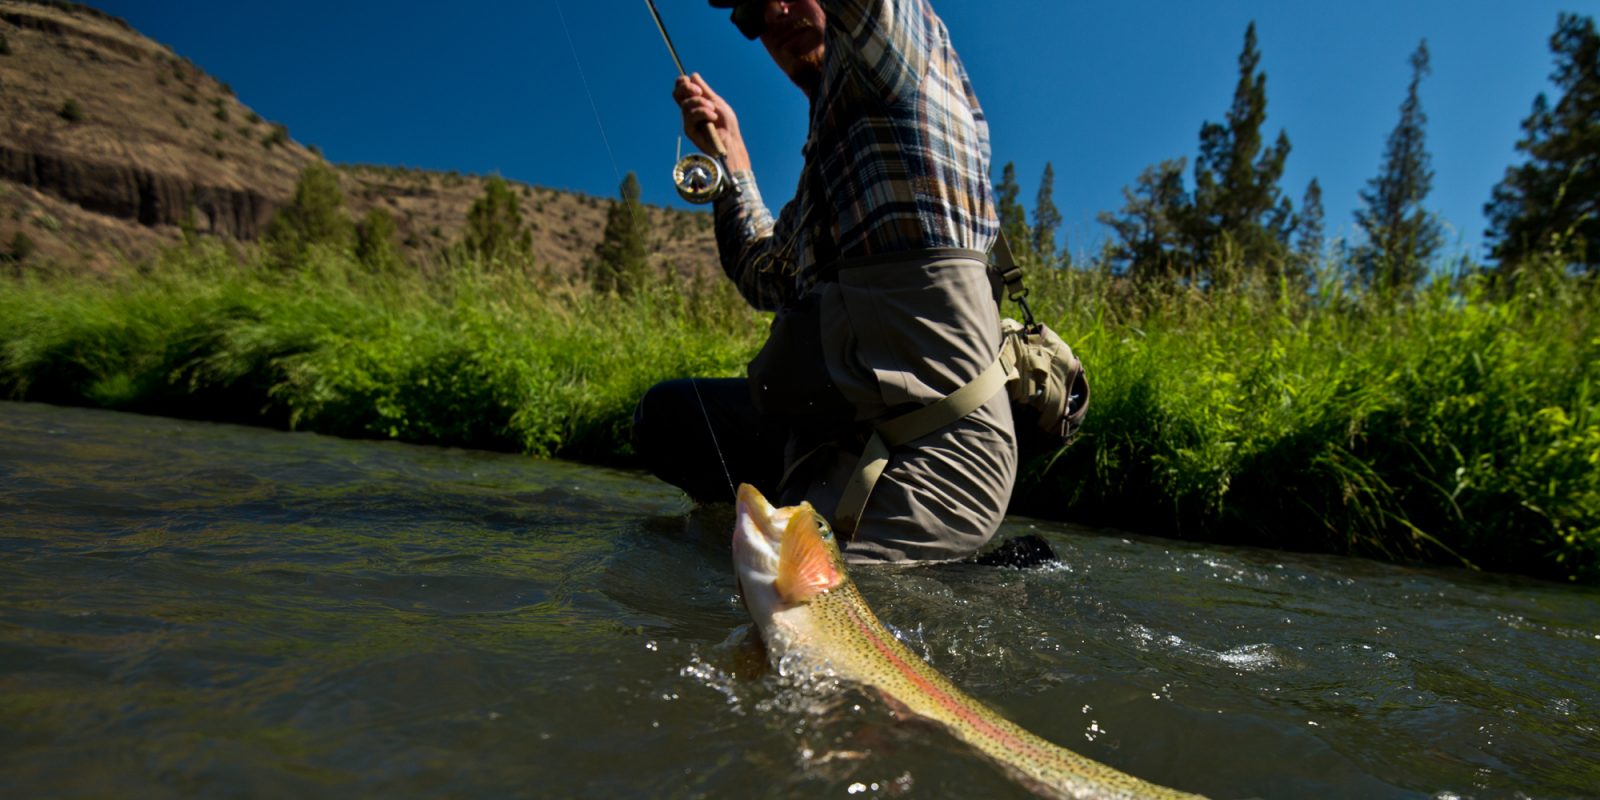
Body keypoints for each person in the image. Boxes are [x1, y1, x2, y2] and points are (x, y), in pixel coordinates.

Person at [633, 0, 1015, 564]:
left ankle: (962, 573)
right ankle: (768, 530)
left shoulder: (897, 49)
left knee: (806, 624)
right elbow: (764, 274)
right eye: (755, 14)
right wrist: (730, 157)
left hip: (934, 448)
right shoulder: (826, 168)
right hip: (835, 432)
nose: (777, 11)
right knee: (669, 418)